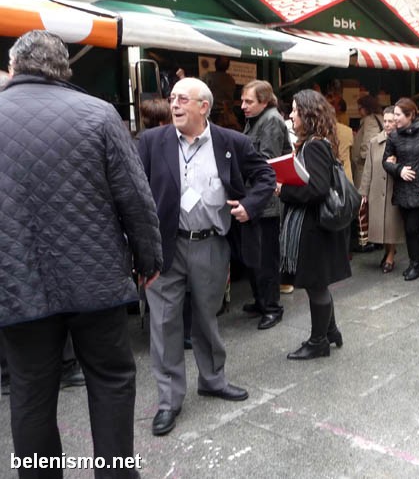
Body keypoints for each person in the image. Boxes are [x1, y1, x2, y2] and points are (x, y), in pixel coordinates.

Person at [0, 30, 162, 475]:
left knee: (31, 390)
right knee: (111, 381)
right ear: (64, 69)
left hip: (17, 280)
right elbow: (135, 196)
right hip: (97, 279)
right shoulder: (99, 114)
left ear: (15, 68)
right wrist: (148, 260)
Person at [138, 77, 275, 436]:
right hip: (166, 246)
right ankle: (168, 400)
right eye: (172, 99)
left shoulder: (232, 142)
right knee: (165, 323)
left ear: (204, 107)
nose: (175, 105)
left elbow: (265, 175)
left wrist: (249, 205)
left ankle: (212, 380)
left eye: (183, 99)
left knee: (206, 318)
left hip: (211, 244)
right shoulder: (153, 141)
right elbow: (133, 189)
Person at [279, 89, 351, 360]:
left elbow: (317, 189)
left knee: (315, 285)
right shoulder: (318, 142)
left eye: (295, 110)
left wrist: (282, 189)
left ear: (307, 114)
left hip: (315, 228)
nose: (291, 116)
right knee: (318, 284)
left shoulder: (314, 145)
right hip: (317, 226)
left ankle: (318, 341)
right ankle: (330, 331)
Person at [239, 80, 291, 330]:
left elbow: (265, 162)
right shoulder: (258, 119)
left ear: (264, 101)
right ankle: (262, 301)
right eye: (243, 101)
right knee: (254, 255)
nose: (243, 106)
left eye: (248, 101)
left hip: (266, 202)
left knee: (265, 258)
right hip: (256, 199)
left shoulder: (270, 120)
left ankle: (272, 306)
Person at [383, 98, 419, 281]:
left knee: (413, 228)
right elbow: (385, 161)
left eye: (397, 115)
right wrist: (398, 169)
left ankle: (415, 265)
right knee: (409, 229)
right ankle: (414, 262)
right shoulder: (394, 136)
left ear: (410, 115)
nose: (394, 118)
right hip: (402, 188)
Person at [359, 106, 405, 273]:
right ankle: (388, 252)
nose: (387, 124)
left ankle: (391, 255)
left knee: (391, 225)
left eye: (390, 121)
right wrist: (364, 191)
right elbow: (368, 168)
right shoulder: (374, 142)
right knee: (380, 226)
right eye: (385, 121)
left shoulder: (403, 142)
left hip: (395, 189)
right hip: (377, 190)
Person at [352, 94, 384, 189]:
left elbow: (368, 144)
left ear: (366, 108)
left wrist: (361, 159)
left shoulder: (371, 120)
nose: (358, 111)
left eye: (360, 108)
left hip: (365, 169)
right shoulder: (377, 119)